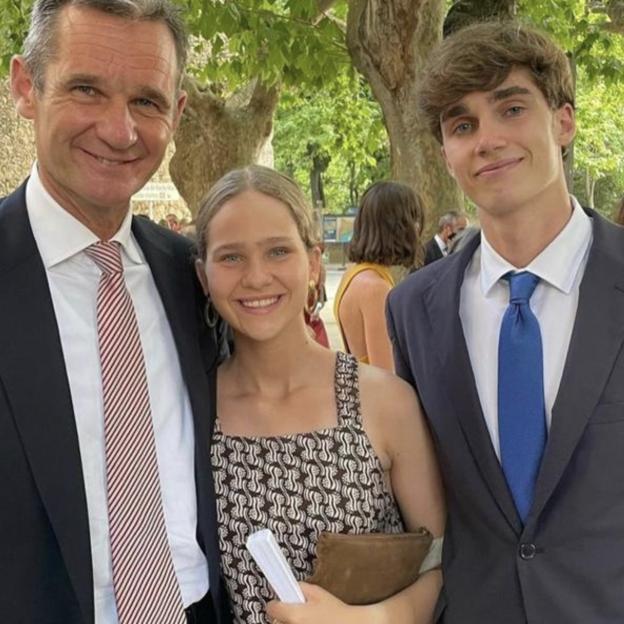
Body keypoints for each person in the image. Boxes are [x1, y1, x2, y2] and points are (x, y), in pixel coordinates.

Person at [387, 21, 624, 623]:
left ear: (563, 122)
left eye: (511, 108)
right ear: (446, 151)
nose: (486, 139)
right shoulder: (413, 309)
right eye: (461, 125)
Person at [1, 1, 230, 622]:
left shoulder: (196, 278)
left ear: (177, 114)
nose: (119, 130)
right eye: (86, 89)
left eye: (147, 102)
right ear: (26, 87)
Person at [194, 165, 445, 624]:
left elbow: (444, 562)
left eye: (277, 251)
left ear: (312, 263)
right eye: (230, 257)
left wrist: (367, 620)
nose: (256, 277)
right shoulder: (191, 410)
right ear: (202, 275)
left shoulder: (385, 402)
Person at [333, 181, 424, 370]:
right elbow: (386, 373)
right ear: (398, 227)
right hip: (376, 396)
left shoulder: (355, 274)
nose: (417, 229)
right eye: (413, 219)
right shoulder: (375, 288)